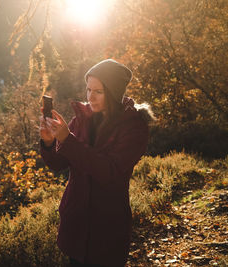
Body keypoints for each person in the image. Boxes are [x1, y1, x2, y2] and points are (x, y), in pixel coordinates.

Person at [39, 59, 154, 267]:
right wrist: (48, 143)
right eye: (88, 89)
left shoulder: (134, 127)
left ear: (113, 92)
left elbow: (109, 171)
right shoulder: (81, 119)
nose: (90, 96)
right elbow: (59, 163)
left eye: (98, 91)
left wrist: (67, 140)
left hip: (107, 230)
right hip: (76, 227)